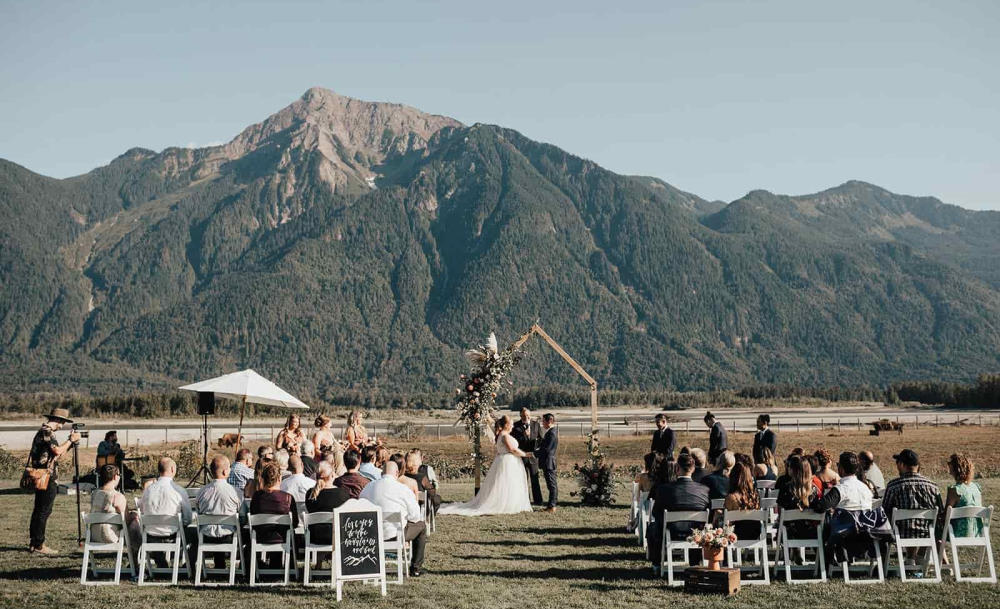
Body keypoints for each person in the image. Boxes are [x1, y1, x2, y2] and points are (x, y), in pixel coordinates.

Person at [439, 415, 532, 516]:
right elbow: (512, 449)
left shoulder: (501, 434)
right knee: (506, 483)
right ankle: (506, 504)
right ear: (506, 425)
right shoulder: (505, 436)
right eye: (511, 424)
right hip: (508, 461)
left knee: (507, 483)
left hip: (505, 460)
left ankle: (510, 502)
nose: (513, 426)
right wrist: (526, 454)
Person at [27, 407, 80, 555]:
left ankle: (35, 542)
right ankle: (39, 544)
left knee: (39, 510)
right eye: (62, 422)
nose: (62, 426)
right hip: (47, 477)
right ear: (58, 420)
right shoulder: (47, 431)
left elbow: (55, 453)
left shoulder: (44, 431)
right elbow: (57, 451)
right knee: (44, 510)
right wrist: (71, 440)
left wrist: (69, 444)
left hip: (42, 476)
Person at [361, 461, 428, 577]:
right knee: (422, 526)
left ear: (382, 472)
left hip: (371, 534)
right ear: (397, 473)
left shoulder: (369, 487)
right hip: (396, 534)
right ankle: (416, 567)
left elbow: (360, 506)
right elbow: (416, 516)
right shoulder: (402, 489)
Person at [647, 452, 710, 573]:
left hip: (672, 530)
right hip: (696, 533)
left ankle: (657, 563)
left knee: (653, 526)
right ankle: (695, 562)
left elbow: (656, 512)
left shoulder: (664, 489)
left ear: (677, 468)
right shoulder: (704, 490)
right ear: (693, 469)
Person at [140, 457, 193, 567]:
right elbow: (188, 518)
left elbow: (143, 511)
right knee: (196, 534)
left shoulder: (148, 490)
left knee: (154, 533)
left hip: (150, 534)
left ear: (159, 470)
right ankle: (189, 565)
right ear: (173, 469)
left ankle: (161, 563)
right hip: (172, 534)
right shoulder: (179, 491)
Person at [882, 449, 943, 540]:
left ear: (902, 464)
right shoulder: (933, 486)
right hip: (927, 532)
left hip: (900, 534)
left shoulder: (893, 486)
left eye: (897, 463)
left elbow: (884, 512)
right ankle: (918, 554)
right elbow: (940, 511)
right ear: (917, 466)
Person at [195, 455, 242, 570]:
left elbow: (198, 511)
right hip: (228, 536)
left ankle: (218, 565)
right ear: (225, 471)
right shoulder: (235, 492)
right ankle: (244, 568)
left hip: (207, 535)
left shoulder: (202, 491)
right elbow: (243, 515)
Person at [249, 462, 297, 568]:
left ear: (263, 479)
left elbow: (253, 515)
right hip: (282, 538)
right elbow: (295, 522)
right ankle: (283, 566)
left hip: (260, 536)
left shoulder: (256, 496)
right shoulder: (287, 498)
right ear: (279, 478)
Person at [304, 462, 351, 545]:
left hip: (315, 536)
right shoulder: (343, 494)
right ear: (332, 475)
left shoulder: (310, 494)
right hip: (338, 537)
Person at [776, 455, 819, 539]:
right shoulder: (814, 490)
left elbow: (780, 512)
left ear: (793, 470)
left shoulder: (786, 488)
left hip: (790, 533)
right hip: (810, 532)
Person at [945, 453, 983, 537]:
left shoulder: (955, 490)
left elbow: (946, 514)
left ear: (956, 469)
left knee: (935, 528)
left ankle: (940, 550)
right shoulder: (976, 488)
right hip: (976, 532)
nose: (949, 472)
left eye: (950, 468)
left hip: (957, 532)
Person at [89, 464, 129, 544]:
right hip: (110, 535)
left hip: (93, 535)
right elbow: (126, 519)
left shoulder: (94, 494)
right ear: (115, 477)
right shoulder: (117, 496)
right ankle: (137, 552)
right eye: (119, 474)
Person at [511, 407, 544, 505]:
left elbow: (541, 439)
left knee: (535, 479)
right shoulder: (515, 426)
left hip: (533, 457)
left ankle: (538, 501)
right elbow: (513, 441)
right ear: (520, 415)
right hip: (521, 456)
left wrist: (537, 447)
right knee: (523, 480)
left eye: (528, 415)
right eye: (524, 415)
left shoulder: (536, 425)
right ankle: (525, 500)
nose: (527, 417)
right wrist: (523, 435)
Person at [724, 462, 762, 540]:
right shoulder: (755, 496)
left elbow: (728, 521)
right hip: (755, 532)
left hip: (737, 534)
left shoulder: (731, 497)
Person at [534, 413, 559, 512]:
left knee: (552, 485)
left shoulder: (551, 433)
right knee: (551, 484)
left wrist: (534, 453)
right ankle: (551, 505)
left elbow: (547, 450)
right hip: (548, 461)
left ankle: (552, 506)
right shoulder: (551, 431)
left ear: (549, 421)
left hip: (548, 462)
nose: (542, 423)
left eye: (543, 421)